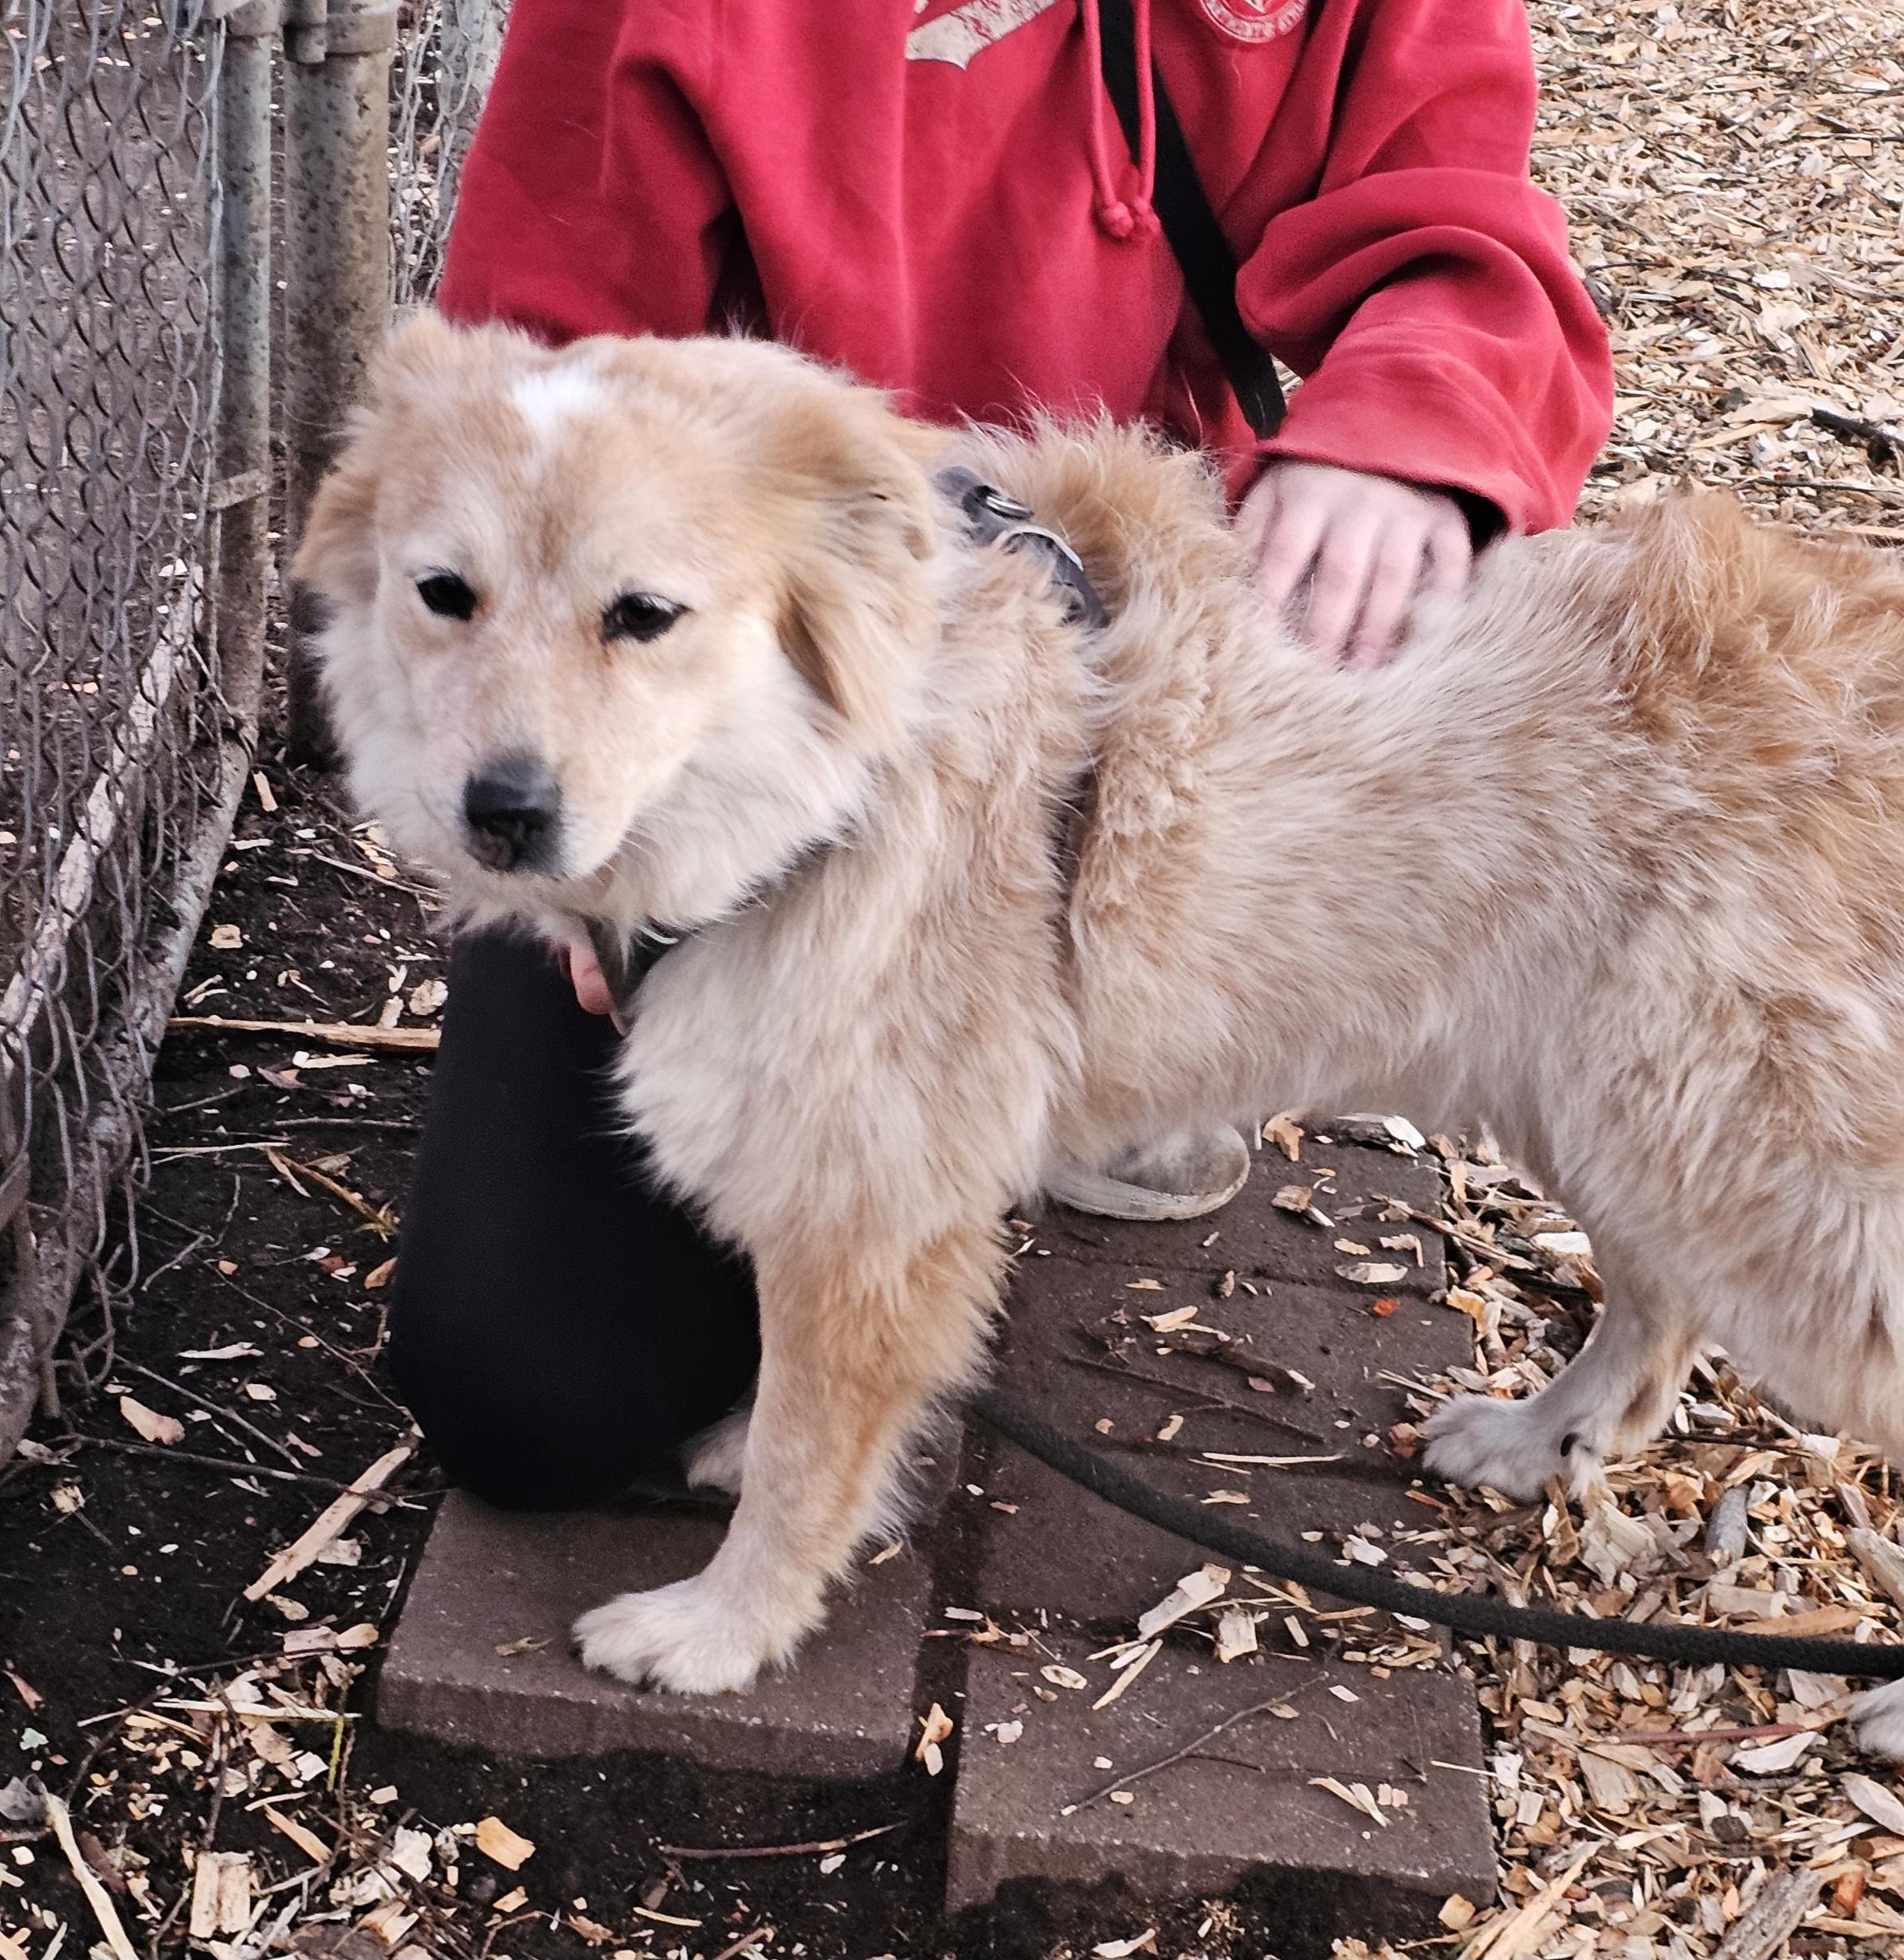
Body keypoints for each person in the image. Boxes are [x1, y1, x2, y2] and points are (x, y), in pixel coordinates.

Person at [388, 0, 1616, 1509]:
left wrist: (1408, 428)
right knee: (536, 1396)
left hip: (1134, 696)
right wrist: (608, 851)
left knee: (980, 1105)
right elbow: (547, 369)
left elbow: (1451, 201)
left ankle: (1092, 1041)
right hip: (757, 714)